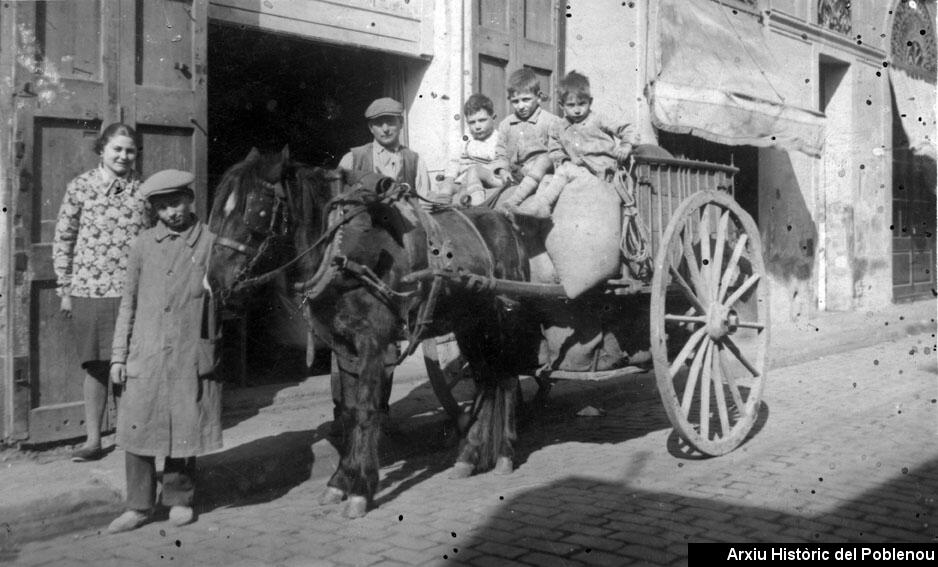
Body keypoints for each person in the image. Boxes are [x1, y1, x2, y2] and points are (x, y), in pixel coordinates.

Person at [107, 170, 221, 534]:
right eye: (162, 207)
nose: (171, 212)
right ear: (154, 210)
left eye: (176, 203)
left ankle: (179, 499)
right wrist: (118, 356)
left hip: (187, 351)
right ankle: (138, 506)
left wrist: (215, 287)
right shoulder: (142, 244)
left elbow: (228, 291)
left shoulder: (210, 243)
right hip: (147, 351)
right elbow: (129, 302)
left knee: (183, 427)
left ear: (190, 200)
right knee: (137, 428)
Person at [52, 123, 149, 462]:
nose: (124, 156)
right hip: (90, 291)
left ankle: (127, 437)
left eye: (130, 150)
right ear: (102, 151)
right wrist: (65, 288)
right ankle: (94, 439)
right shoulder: (80, 187)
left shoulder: (144, 190)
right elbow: (64, 238)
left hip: (133, 294)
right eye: (117, 149)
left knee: (129, 366)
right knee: (96, 367)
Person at [514, 70, 639, 218]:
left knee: (565, 171)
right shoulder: (558, 127)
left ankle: (543, 204)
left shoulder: (598, 119)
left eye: (582, 104)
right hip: (577, 170)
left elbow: (628, 129)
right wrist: (562, 161)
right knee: (547, 179)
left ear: (590, 102)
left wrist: (626, 145)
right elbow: (555, 150)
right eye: (571, 105)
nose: (577, 110)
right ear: (562, 105)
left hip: (601, 171)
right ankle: (537, 211)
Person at [492, 68, 562, 211]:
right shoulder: (506, 124)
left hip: (539, 172)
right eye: (516, 101)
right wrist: (502, 171)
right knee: (477, 171)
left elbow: (556, 154)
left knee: (545, 160)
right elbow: (500, 153)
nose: (521, 106)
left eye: (526, 100)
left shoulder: (551, 121)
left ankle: (524, 204)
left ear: (538, 96)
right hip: (514, 174)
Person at [337, 97, 432, 200]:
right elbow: (339, 203)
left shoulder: (415, 161)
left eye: (390, 122)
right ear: (371, 128)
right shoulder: (352, 159)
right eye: (379, 123)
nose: (385, 129)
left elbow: (423, 207)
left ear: (401, 123)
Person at [439, 93, 505, 206]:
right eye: (472, 122)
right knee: (446, 187)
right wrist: (449, 179)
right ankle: (440, 206)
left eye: (482, 120)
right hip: (462, 181)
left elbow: (499, 164)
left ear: (493, 118)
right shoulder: (466, 140)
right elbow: (454, 162)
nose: (477, 126)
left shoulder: (498, 140)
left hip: (483, 180)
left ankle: (477, 205)